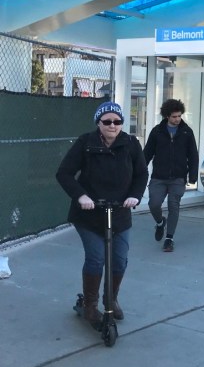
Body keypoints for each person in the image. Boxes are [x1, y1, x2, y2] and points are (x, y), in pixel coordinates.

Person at [56, 101, 148, 327]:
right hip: (89, 215)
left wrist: (135, 196)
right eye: (107, 121)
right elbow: (64, 173)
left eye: (117, 121)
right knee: (96, 258)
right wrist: (81, 196)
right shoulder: (85, 143)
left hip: (120, 212)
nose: (112, 125)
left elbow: (141, 174)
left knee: (119, 260)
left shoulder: (130, 144)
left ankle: (111, 298)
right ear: (98, 123)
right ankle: (89, 306)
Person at [144, 99, 199, 252]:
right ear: (167, 116)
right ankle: (160, 222)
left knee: (173, 206)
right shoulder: (157, 131)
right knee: (153, 204)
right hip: (158, 177)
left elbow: (193, 155)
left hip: (178, 178)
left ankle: (169, 238)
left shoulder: (187, 132)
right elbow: (147, 153)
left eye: (179, 116)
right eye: (174, 116)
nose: (177, 119)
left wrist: (192, 176)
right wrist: (138, 170)